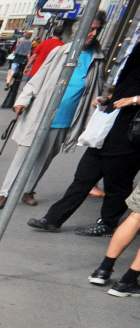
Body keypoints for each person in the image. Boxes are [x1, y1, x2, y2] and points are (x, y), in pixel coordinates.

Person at [29, 31, 140, 237]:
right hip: (110, 126)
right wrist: (109, 98)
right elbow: (126, 86)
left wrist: (133, 100)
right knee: (83, 177)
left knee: (117, 183)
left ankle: (107, 223)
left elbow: (132, 93)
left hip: (131, 133)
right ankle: (53, 219)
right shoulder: (135, 52)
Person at [0, 15, 103, 210]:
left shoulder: (97, 58)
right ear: (80, 28)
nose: (93, 33)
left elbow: (96, 88)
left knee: (44, 160)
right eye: (90, 28)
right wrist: (23, 100)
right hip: (41, 114)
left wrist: (96, 108)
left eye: (97, 30)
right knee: (23, 156)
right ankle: (5, 193)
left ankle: (28, 190)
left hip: (65, 119)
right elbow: (38, 78)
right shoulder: (61, 52)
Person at [3, 31, 34, 109]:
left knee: (12, 71)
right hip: (23, 60)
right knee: (19, 74)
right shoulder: (30, 44)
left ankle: (7, 83)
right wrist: (28, 63)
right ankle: (13, 84)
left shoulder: (21, 43)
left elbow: (15, 52)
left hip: (16, 59)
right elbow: (29, 54)